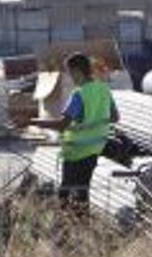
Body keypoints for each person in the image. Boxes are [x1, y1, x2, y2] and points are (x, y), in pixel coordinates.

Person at [32, 53, 119, 210]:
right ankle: (83, 226)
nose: (70, 77)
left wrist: (32, 122)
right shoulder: (104, 89)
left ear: (77, 71)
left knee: (65, 193)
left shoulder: (78, 94)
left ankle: (69, 228)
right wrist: (94, 121)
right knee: (82, 191)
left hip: (76, 151)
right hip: (95, 148)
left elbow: (61, 125)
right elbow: (114, 117)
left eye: (70, 73)